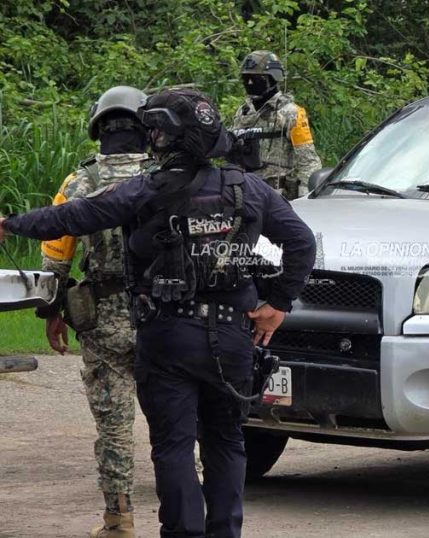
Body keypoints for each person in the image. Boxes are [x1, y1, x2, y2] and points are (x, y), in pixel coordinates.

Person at [0, 88, 316, 538]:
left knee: (174, 445)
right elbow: (301, 242)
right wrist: (277, 305)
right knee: (226, 442)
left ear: (164, 137)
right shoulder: (249, 188)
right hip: (234, 335)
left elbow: (74, 217)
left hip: (169, 334)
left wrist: (11, 224)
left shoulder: (146, 190)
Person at [35, 85, 150, 538]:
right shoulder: (168, 177)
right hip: (165, 316)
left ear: (98, 129)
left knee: (114, 425)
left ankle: (119, 520)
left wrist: (53, 314)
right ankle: (189, 503)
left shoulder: (78, 184)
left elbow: (55, 262)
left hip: (103, 319)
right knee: (179, 417)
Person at [230, 50, 322, 200]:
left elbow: (308, 162)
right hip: (247, 193)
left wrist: (306, 200)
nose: (250, 83)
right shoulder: (243, 112)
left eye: (255, 78)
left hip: (279, 197)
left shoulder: (291, 112)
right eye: (246, 78)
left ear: (272, 78)